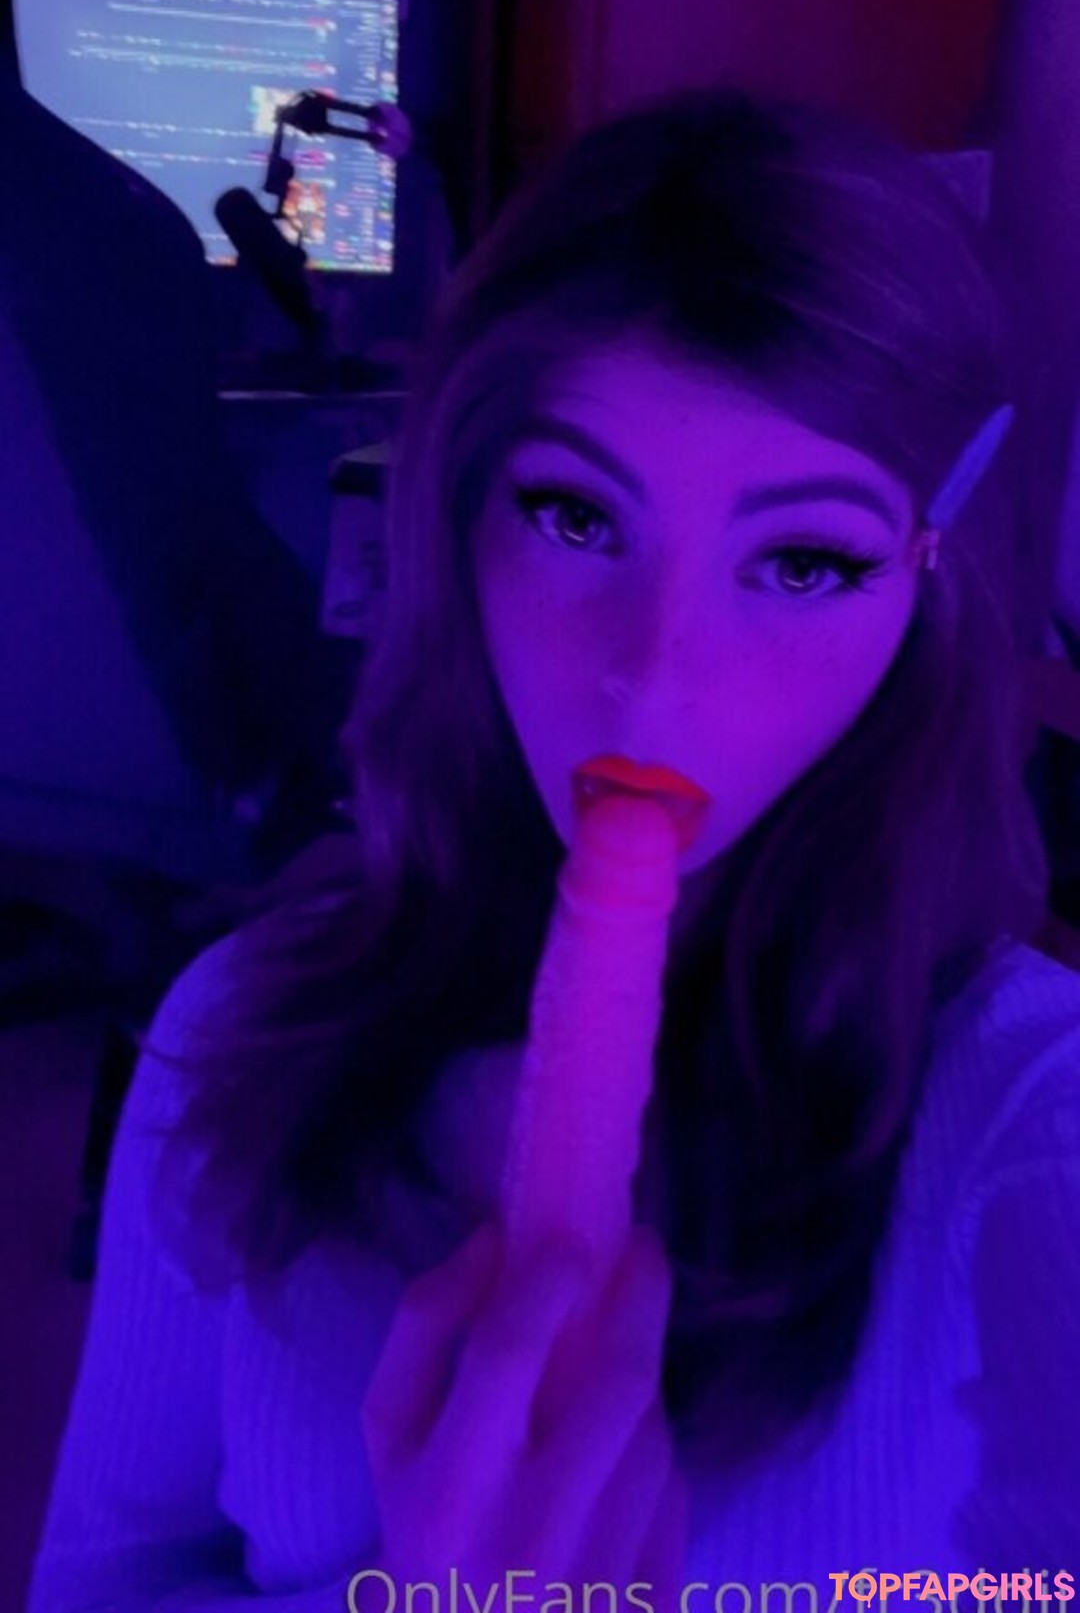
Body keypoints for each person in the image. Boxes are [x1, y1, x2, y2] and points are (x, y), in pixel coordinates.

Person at [27, 90, 1080, 1612]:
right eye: (576, 519)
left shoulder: (1029, 1119)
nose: (654, 683)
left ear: (925, 581)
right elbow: (103, 1577)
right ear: (461, 522)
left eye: (802, 561)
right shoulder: (235, 1027)